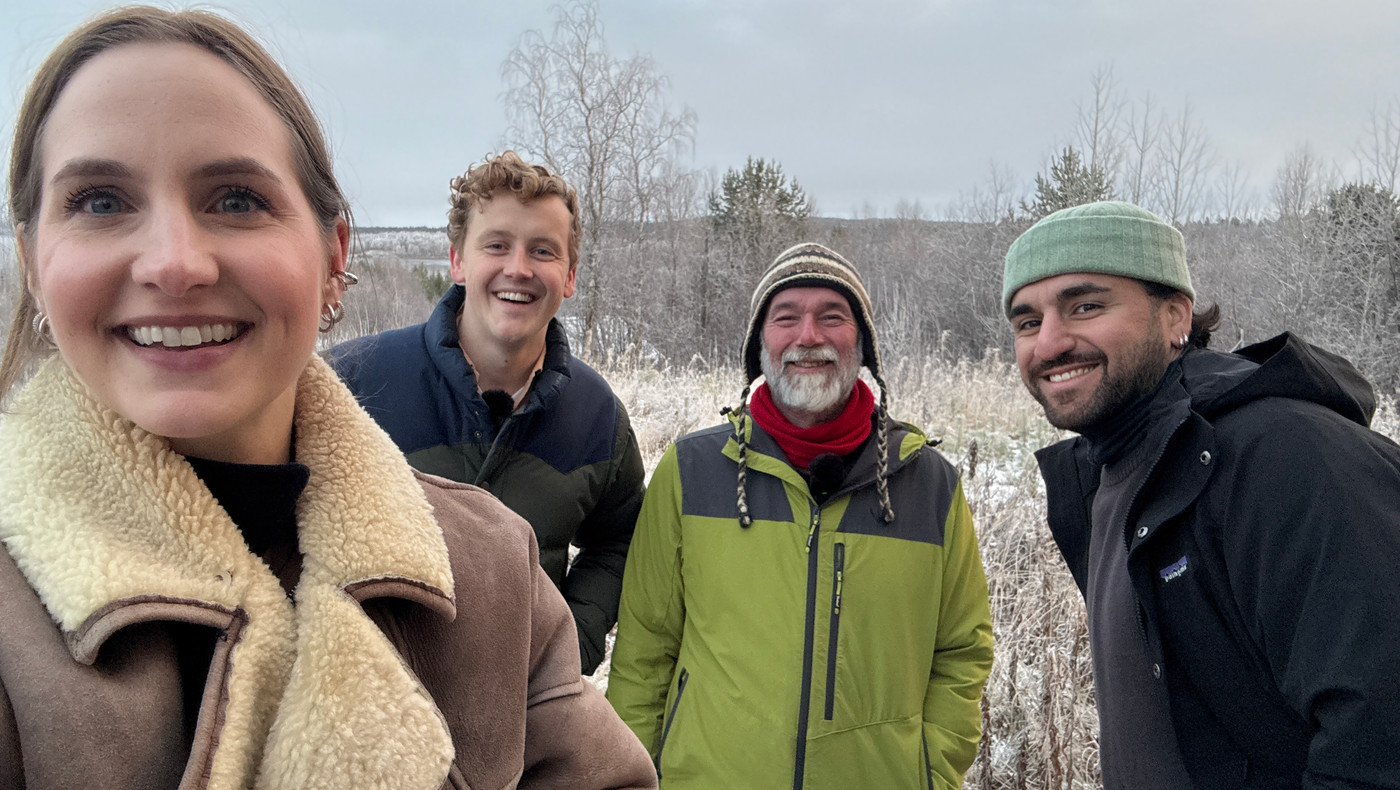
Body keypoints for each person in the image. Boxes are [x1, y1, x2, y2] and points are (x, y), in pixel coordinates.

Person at [0, 7, 656, 788]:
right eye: (101, 201)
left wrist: (566, 639)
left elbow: (620, 535)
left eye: (236, 198)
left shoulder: (497, 559)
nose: (174, 263)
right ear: (33, 261)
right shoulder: (372, 372)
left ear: (333, 253)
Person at [1002, 200, 1400, 788]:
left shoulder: (1286, 457)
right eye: (1028, 322)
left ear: (1174, 317)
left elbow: (1377, 741)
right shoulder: (1107, 476)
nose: (1051, 343)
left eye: (1086, 306)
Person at [607, 243, 994, 789]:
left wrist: (928, 772)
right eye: (785, 317)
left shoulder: (929, 485)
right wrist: (632, 776)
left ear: (861, 344)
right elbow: (645, 649)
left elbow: (962, 650)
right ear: (760, 344)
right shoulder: (691, 472)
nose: (808, 336)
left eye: (831, 317)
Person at [330, 152, 643, 675]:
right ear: (458, 261)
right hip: (369, 719)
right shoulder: (354, 381)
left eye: (542, 250)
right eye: (496, 245)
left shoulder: (596, 416)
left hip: (523, 730)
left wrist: (571, 642)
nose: (517, 268)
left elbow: (620, 536)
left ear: (569, 276)